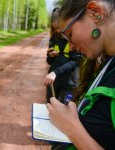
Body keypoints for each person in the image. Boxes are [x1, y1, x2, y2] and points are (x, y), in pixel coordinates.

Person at [46, 0, 115, 149]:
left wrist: (71, 127)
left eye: (70, 35)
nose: (71, 46)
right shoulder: (108, 63)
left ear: (95, 12)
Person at [44, 7, 81, 103]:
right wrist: (50, 56)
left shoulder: (73, 39)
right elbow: (49, 61)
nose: (57, 31)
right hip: (53, 82)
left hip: (69, 82)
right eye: (54, 28)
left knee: (66, 108)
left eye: (59, 27)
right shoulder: (53, 38)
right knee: (50, 106)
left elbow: (75, 62)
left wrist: (56, 72)